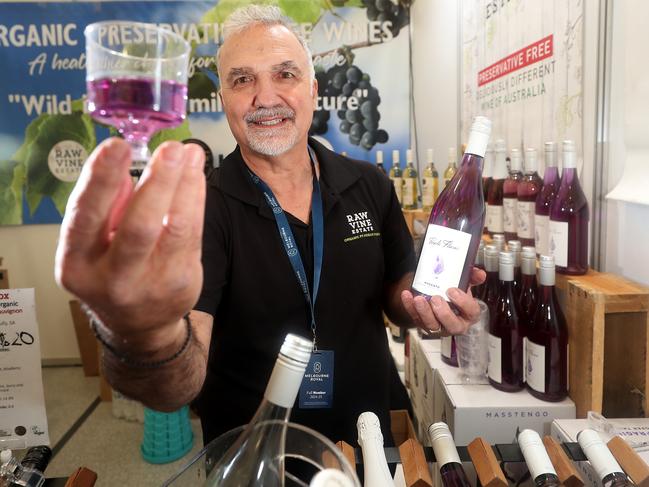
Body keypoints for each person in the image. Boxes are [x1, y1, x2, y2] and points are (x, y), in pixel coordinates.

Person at [55, 5, 484, 447]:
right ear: (223, 100)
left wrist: (424, 307)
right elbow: (174, 388)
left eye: (285, 75)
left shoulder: (368, 184)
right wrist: (141, 334)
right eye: (242, 80)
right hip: (251, 450)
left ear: (313, 90)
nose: (265, 98)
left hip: (367, 435)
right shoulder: (203, 208)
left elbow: (398, 293)